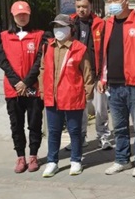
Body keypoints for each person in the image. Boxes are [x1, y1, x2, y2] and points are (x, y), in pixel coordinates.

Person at [98, 0, 135, 177]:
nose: (112, 4)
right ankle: (122, 159)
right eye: (110, 1)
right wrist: (102, 77)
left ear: (126, 1)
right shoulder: (107, 24)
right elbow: (103, 53)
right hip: (114, 84)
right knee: (119, 127)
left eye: (116, 0)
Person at [0, 1, 45, 173]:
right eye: (18, 15)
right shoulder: (3, 37)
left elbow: (40, 60)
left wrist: (27, 82)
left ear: (29, 15)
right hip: (13, 89)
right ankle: (20, 156)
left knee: (35, 123)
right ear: (12, 16)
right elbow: (2, 61)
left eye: (25, 14)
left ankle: (33, 155)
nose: (22, 17)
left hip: (33, 87)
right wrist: (17, 82)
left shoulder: (40, 36)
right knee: (16, 124)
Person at [39, 14, 94, 177]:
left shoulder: (79, 48)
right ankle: (52, 161)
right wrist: (42, 90)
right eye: (56, 26)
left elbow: (87, 72)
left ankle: (76, 160)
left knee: (74, 130)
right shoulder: (48, 47)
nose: (58, 30)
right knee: (53, 131)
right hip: (52, 96)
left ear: (71, 29)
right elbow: (42, 69)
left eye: (62, 27)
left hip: (72, 95)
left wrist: (87, 93)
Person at [66, 0, 111, 151]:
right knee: (79, 108)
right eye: (78, 6)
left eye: (84, 6)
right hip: (76, 73)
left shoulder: (100, 24)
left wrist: (102, 76)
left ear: (91, 6)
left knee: (100, 108)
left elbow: (104, 50)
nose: (81, 9)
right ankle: (80, 137)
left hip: (95, 72)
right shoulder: (70, 22)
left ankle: (103, 136)